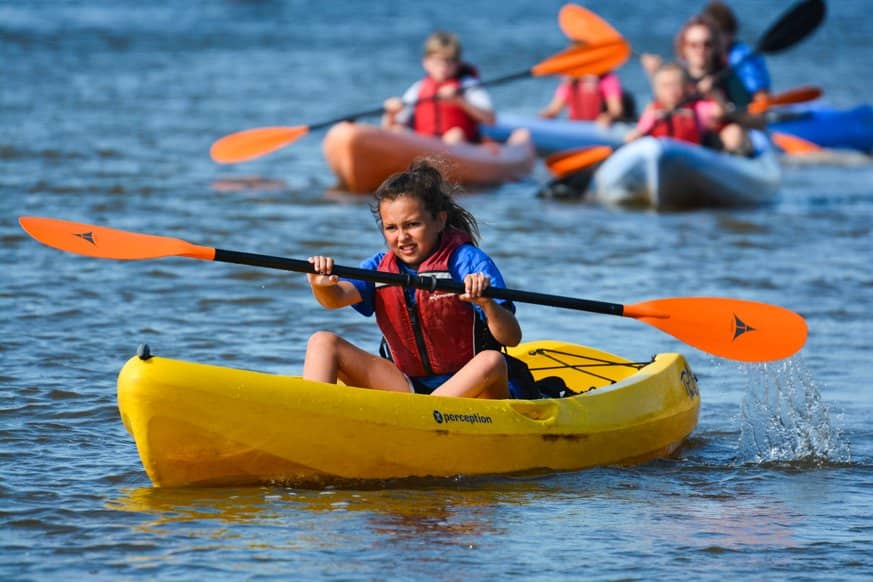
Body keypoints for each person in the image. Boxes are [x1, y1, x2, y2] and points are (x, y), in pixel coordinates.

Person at [303, 160, 522, 399]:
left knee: (491, 360)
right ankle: (312, 416)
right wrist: (320, 284)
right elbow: (335, 298)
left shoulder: (469, 262)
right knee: (322, 342)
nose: (402, 237)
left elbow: (511, 337)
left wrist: (488, 305)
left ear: (439, 220)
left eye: (413, 225)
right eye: (391, 228)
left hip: (475, 390)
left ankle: (427, 416)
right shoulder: (379, 266)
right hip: (407, 386)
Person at [641, 14, 752, 154]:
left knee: (733, 134)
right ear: (684, 47)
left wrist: (715, 95)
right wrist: (654, 75)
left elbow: (753, 118)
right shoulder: (676, 76)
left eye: (707, 44)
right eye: (693, 45)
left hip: (716, 141)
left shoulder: (729, 78)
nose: (701, 50)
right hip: (684, 138)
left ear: (715, 47)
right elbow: (664, 103)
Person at [382, 31, 496, 144]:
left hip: (461, 145)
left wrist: (460, 101)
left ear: (458, 64)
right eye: (437, 61)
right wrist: (391, 113)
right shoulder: (418, 88)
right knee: (397, 131)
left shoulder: (467, 85)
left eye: (449, 62)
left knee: (455, 135)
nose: (443, 67)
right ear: (426, 62)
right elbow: (390, 128)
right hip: (424, 146)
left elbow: (490, 120)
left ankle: (442, 159)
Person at [624, 62, 717, 145]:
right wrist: (638, 134)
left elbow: (719, 112)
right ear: (656, 90)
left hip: (688, 155)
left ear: (685, 87)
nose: (671, 90)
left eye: (675, 85)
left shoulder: (697, 109)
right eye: (665, 86)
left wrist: (712, 92)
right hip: (662, 153)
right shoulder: (652, 112)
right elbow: (636, 134)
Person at [702, 0, 771, 101]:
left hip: (748, 110)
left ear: (730, 33)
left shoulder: (740, 55)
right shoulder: (714, 54)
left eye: (718, 33)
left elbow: (761, 94)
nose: (714, 39)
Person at [539, 71, 631, 126]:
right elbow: (554, 109)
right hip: (578, 127)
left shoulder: (606, 79)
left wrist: (608, 116)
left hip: (599, 127)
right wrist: (545, 115)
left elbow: (616, 110)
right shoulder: (571, 82)